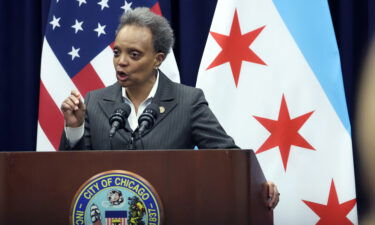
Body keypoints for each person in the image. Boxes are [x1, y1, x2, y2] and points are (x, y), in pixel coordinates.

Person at [59, 7, 279, 209]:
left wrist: (259, 185)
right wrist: (74, 127)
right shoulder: (94, 101)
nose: (121, 62)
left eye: (133, 54)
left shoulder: (187, 101)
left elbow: (227, 157)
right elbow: (74, 173)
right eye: (117, 52)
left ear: (158, 59)